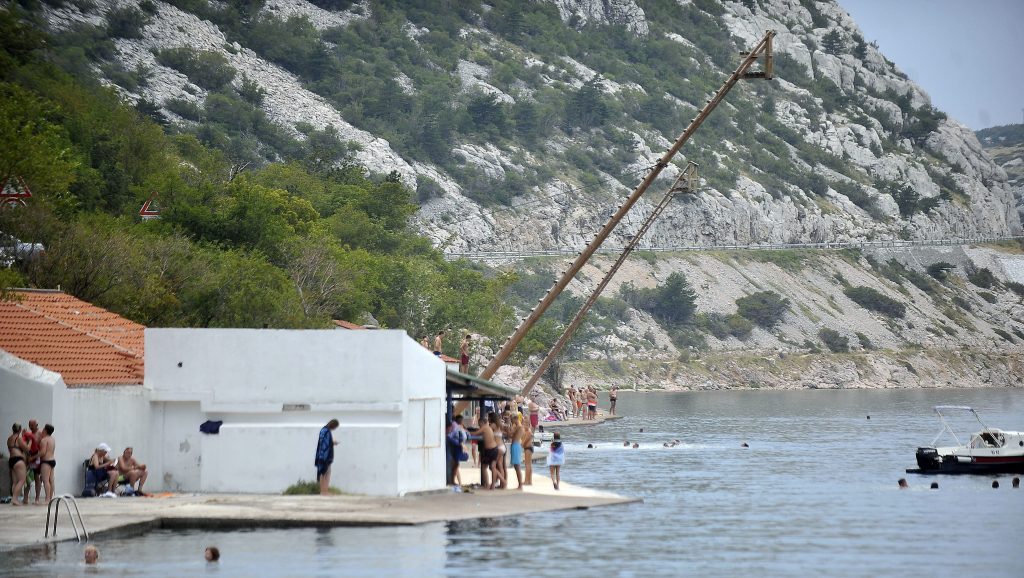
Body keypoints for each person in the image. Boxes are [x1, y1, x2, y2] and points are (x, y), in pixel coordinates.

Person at [315, 419, 340, 496]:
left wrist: (332, 442)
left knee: (324, 473)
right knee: (325, 473)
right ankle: (324, 491)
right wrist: (332, 443)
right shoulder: (326, 431)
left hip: (322, 455)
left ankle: (324, 491)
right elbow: (325, 444)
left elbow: (324, 442)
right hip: (324, 456)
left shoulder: (324, 430)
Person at [7, 423, 28, 506]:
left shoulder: (9, 439)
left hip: (11, 460)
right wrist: (28, 440)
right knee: (22, 480)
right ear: (19, 430)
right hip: (18, 460)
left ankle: (14, 499)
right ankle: (14, 498)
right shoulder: (18, 439)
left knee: (15, 482)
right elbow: (26, 448)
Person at [22, 420, 41, 504]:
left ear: (36, 425)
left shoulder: (40, 433)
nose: (30, 427)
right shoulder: (28, 434)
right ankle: (25, 498)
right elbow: (25, 445)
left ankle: (37, 498)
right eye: (29, 425)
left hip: (36, 458)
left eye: (32, 425)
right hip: (28, 457)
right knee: (26, 478)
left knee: (37, 478)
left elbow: (41, 446)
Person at [38, 424, 55, 504]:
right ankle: (50, 498)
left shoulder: (44, 440)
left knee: (45, 480)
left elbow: (42, 452)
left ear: (45, 430)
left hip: (46, 461)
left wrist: (34, 457)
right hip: (52, 460)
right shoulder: (52, 439)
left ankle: (47, 499)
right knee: (51, 480)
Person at [509, 414, 525, 490]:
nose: (511, 421)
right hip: (516, 445)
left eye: (511, 420)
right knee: (516, 466)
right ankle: (520, 484)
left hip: (515, 445)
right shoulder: (520, 426)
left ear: (515, 419)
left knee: (517, 466)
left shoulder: (518, 427)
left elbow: (510, 434)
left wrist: (511, 426)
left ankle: (520, 484)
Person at [521, 421, 534, 486]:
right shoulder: (527, 431)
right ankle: (529, 481)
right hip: (528, 448)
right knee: (529, 465)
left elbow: (524, 442)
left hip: (528, 448)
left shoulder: (528, 432)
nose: (524, 426)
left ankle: (526, 481)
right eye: (524, 424)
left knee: (527, 465)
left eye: (526, 425)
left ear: (529, 425)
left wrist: (520, 445)